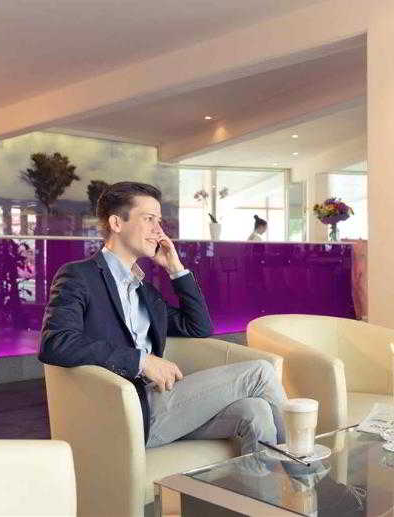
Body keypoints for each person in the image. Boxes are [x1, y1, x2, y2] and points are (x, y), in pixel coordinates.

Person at [39, 181, 285, 452]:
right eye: (149, 219)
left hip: (160, 401)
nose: (159, 230)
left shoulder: (144, 290)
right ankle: (303, 462)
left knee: (256, 411)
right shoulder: (79, 276)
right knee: (261, 371)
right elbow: (56, 343)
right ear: (117, 223)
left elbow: (199, 327)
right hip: (125, 408)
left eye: (159, 221)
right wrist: (141, 361)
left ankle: (271, 480)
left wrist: (175, 269)